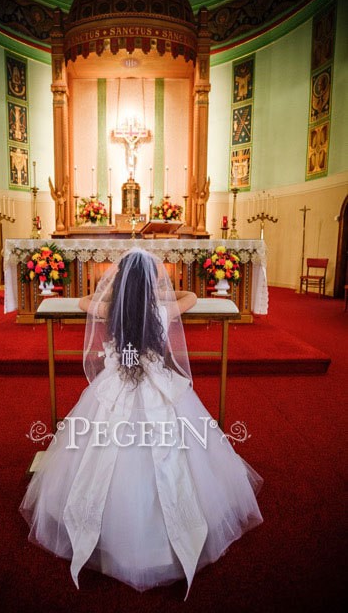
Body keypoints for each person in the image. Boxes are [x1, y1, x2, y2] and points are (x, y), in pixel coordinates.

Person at [20, 249, 262, 598]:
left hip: (115, 385)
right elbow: (192, 296)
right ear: (151, 283)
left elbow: (83, 302)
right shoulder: (163, 311)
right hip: (156, 386)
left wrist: (115, 292)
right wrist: (162, 294)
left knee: (97, 456)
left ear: (118, 286)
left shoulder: (107, 308)